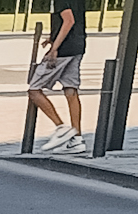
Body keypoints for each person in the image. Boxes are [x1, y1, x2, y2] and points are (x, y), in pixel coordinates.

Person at [28, 0, 88, 153]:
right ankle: (77, 139)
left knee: (34, 89)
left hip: (63, 50)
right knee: (71, 90)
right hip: (77, 46)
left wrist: (54, 48)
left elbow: (68, 20)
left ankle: (61, 128)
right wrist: (53, 36)